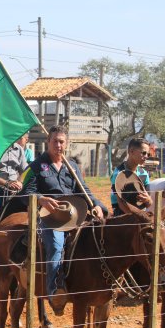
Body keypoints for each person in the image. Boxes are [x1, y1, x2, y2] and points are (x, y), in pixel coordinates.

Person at [21, 125, 106, 315]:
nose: (58, 145)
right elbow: (25, 192)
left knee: (95, 238)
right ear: (47, 142)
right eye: (54, 141)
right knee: (56, 245)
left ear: (66, 144)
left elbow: (84, 190)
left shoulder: (72, 166)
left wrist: (97, 205)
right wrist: (41, 199)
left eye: (61, 142)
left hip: (75, 213)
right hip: (50, 216)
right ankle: (54, 293)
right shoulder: (36, 165)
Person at [0, 132, 33, 235]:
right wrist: (6, 183)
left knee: (28, 207)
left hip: (15, 190)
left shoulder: (19, 149)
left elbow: (24, 171)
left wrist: (20, 182)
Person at [110, 138, 152, 215]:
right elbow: (121, 204)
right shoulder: (118, 173)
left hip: (141, 216)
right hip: (123, 216)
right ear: (131, 151)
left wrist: (148, 200)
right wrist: (137, 218)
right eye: (143, 153)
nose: (146, 156)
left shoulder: (144, 174)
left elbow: (149, 203)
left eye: (148, 154)